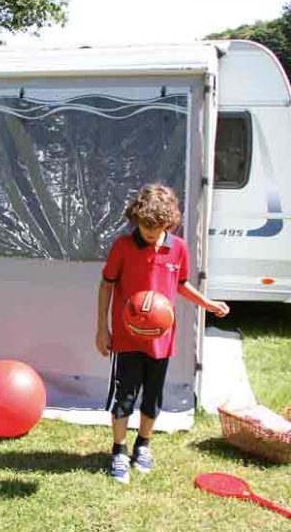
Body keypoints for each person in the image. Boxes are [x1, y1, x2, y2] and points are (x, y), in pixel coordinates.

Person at [95, 183, 229, 484]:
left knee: (153, 396)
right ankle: (119, 450)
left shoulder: (178, 248)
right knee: (125, 396)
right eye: (145, 227)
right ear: (136, 219)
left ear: (169, 223)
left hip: (160, 339)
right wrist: (102, 328)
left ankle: (143, 446)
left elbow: (181, 284)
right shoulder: (123, 246)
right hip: (128, 338)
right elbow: (106, 284)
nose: (150, 233)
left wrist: (207, 303)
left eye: (156, 229)